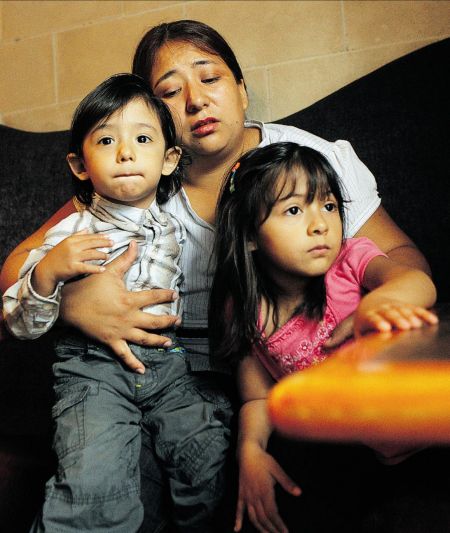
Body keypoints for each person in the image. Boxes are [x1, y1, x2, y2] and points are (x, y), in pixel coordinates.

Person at [0, 19, 435, 533]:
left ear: (242, 89)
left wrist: (379, 316)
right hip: (162, 366)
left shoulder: (305, 163)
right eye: (170, 91)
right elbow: (16, 268)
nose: (196, 100)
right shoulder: (138, 176)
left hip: (288, 362)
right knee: (114, 499)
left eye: (210, 78)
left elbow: (402, 260)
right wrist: (75, 305)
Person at [3, 73, 232, 533]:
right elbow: (18, 323)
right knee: (96, 490)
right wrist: (47, 273)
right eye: (107, 140)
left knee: (209, 462)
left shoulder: (178, 223)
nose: (126, 153)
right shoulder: (71, 232)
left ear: (169, 160)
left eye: (142, 139)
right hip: (93, 372)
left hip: (169, 368)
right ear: (80, 164)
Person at [208, 142, 438, 533]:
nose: (320, 224)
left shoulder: (351, 261)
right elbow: (259, 395)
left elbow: (417, 283)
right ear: (249, 236)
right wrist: (250, 451)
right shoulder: (246, 308)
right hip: (348, 452)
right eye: (294, 210)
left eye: (328, 206)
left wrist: (378, 303)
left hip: (425, 427)